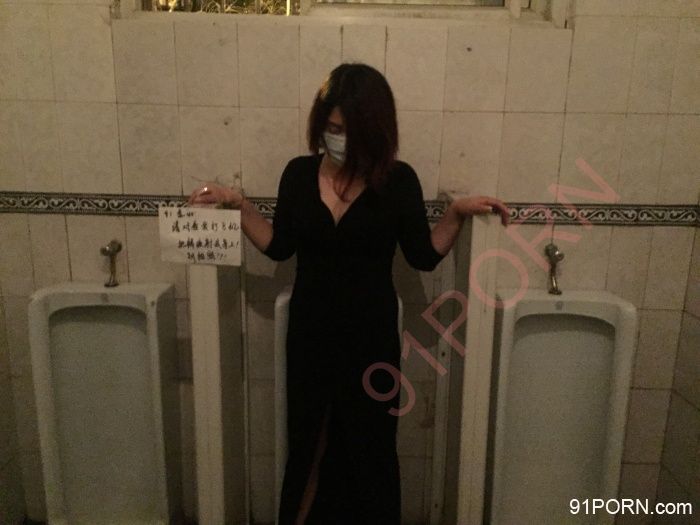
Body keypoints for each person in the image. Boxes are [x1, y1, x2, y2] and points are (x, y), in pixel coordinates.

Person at [189, 63, 510, 525]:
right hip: (310, 333)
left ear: (375, 130)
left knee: (371, 447)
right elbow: (279, 246)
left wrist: (456, 213)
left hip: (370, 337)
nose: (337, 138)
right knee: (308, 443)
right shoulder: (298, 174)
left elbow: (422, 255)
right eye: (331, 127)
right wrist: (238, 205)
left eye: (348, 130)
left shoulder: (398, 181)